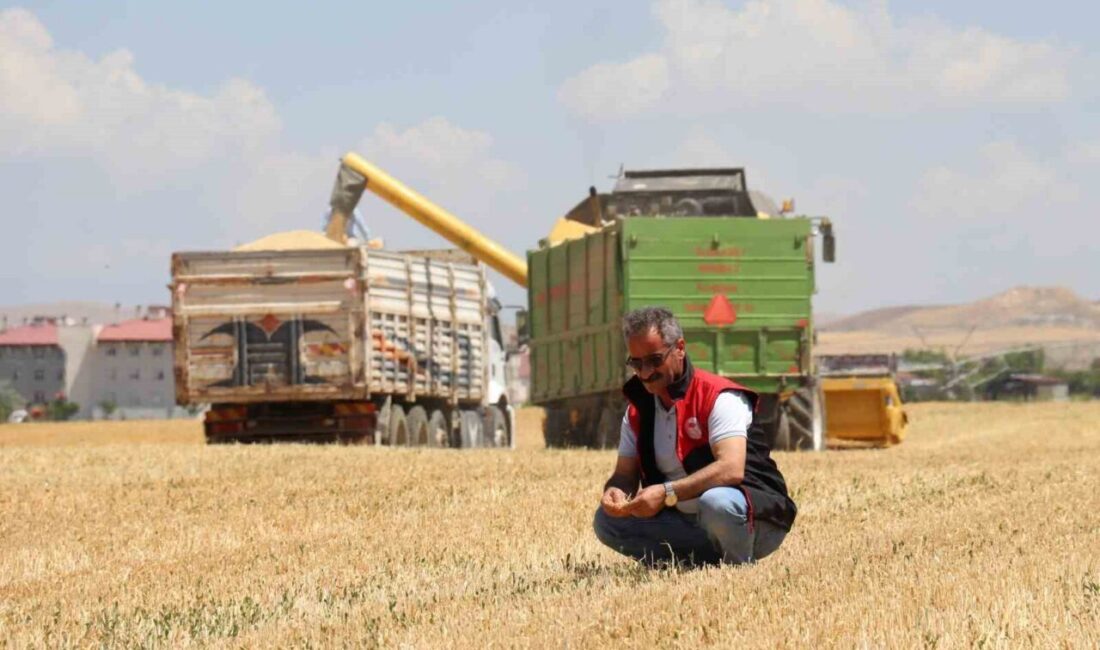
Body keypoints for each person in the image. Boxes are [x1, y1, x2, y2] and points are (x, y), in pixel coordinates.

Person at [593, 306, 797, 566]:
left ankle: (738, 566)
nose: (645, 372)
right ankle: (692, 562)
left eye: (655, 360)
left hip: (753, 519)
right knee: (606, 522)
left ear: (679, 348)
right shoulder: (637, 409)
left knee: (717, 503)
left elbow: (730, 469)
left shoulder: (719, 397)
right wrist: (616, 492)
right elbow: (624, 474)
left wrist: (666, 492)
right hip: (687, 520)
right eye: (637, 363)